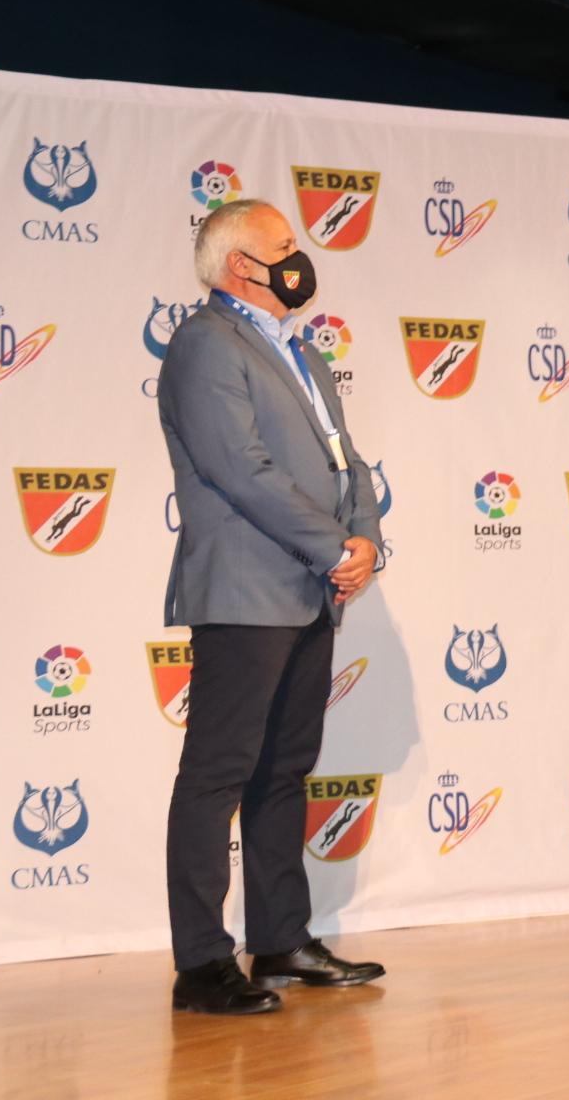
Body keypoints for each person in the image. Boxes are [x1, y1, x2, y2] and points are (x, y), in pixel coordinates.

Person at [158, 198, 386, 1015]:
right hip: (247, 590)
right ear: (239, 266)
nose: (299, 258)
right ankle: (201, 963)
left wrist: (365, 541)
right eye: (283, 246)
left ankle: (281, 941)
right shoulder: (204, 344)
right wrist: (334, 548)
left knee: (284, 770)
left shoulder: (302, 350)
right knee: (217, 773)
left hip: (308, 588)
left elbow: (347, 462)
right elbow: (241, 469)